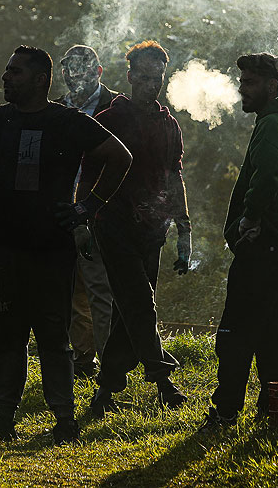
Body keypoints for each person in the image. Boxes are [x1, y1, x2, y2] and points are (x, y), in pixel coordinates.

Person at [0, 45, 131, 446]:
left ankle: (65, 422)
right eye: (6, 70)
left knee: (53, 334)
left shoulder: (66, 122)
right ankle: (0, 420)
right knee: (7, 334)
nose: (6, 77)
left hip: (52, 248)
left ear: (39, 79)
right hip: (2, 246)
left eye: (15, 72)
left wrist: (88, 206)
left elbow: (120, 157)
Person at [200, 52, 278, 430]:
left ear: (272, 86)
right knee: (271, 332)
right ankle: (275, 410)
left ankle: (226, 411)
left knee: (236, 330)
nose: (241, 89)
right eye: (242, 81)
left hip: (265, 243)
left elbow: (267, 177)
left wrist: (250, 218)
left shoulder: (271, 126)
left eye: (250, 83)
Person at [85, 41, 192, 415]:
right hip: (113, 226)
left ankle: (105, 392)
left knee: (127, 310)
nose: (151, 85)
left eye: (157, 78)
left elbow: (174, 175)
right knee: (140, 302)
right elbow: (88, 175)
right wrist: (85, 220)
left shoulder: (168, 124)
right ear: (130, 76)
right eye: (144, 78)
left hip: (152, 229)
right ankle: (164, 381)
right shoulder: (109, 121)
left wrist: (185, 230)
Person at [56, 45, 116, 379]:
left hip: (101, 207)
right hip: (65, 206)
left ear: (98, 71)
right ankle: (82, 356)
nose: (74, 75)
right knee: (71, 285)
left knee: (100, 288)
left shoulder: (114, 107)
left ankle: (110, 367)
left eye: (82, 69)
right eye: (69, 70)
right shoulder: (58, 109)